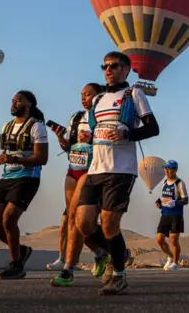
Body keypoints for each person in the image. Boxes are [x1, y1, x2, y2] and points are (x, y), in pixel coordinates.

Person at [75, 51, 160, 296]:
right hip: (95, 169)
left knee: (110, 225)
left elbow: (153, 128)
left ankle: (120, 275)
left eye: (113, 66)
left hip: (120, 169)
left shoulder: (134, 94)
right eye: (105, 66)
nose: (108, 70)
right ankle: (115, 255)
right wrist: (88, 137)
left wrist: (127, 134)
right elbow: (97, 132)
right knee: (83, 223)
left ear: (126, 69)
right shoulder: (98, 99)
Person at [49, 83, 121, 287]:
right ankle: (104, 253)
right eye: (81, 94)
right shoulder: (76, 117)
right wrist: (61, 138)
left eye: (88, 94)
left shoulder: (104, 116)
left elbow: (112, 143)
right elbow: (69, 146)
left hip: (93, 169)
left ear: (99, 96)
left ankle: (68, 269)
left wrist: (91, 140)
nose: (83, 98)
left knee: (73, 217)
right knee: (76, 222)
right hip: (73, 168)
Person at [0, 91, 48, 279]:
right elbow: (6, 152)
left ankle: (17, 265)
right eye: (13, 100)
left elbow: (42, 158)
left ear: (29, 105)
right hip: (7, 178)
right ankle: (20, 250)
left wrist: (13, 158)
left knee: (9, 219)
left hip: (27, 178)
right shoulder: (8, 126)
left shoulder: (36, 127)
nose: (14, 103)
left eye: (19, 100)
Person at [155, 160, 189, 272]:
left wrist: (176, 202)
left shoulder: (179, 183)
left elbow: (185, 200)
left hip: (176, 215)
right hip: (165, 215)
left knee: (174, 240)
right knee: (159, 239)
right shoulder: (164, 182)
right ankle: (169, 256)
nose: (167, 171)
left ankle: (175, 263)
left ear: (175, 170)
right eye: (166, 169)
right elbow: (164, 198)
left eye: (169, 169)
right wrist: (159, 203)